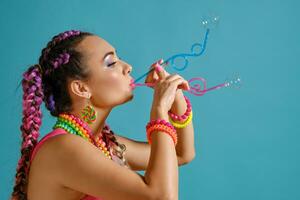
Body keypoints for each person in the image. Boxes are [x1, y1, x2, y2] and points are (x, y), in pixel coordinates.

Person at [11, 30, 196, 200]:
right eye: (111, 63)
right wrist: (160, 111)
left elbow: (181, 154)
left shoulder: (104, 144)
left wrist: (176, 101)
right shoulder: (62, 148)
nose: (128, 67)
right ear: (81, 88)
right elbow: (161, 197)